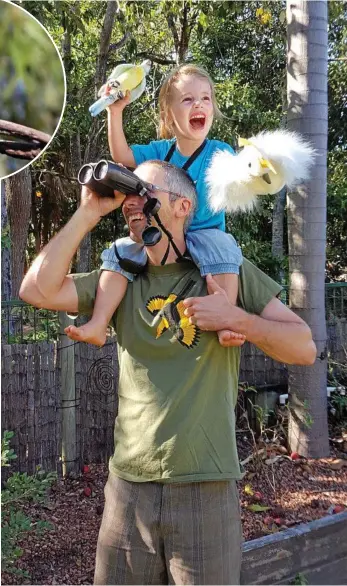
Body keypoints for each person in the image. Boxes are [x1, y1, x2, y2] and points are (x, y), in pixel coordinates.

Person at [20, 160, 316, 586]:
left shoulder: (225, 273)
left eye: (145, 190)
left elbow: (304, 347)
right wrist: (88, 211)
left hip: (205, 487)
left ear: (182, 206)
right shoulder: (118, 278)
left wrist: (239, 319)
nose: (133, 201)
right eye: (129, 195)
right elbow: (35, 289)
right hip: (127, 489)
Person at [66, 64, 247, 348]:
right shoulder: (162, 151)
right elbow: (123, 155)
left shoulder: (220, 151)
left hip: (204, 233)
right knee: (119, 252)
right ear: (169, 114)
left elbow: (237, 181)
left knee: (225, 248)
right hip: (163, 235)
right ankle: (99, 324)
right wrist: (115, 111)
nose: (198, 103)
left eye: (205, 98)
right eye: (187, 99)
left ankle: (227, 322)